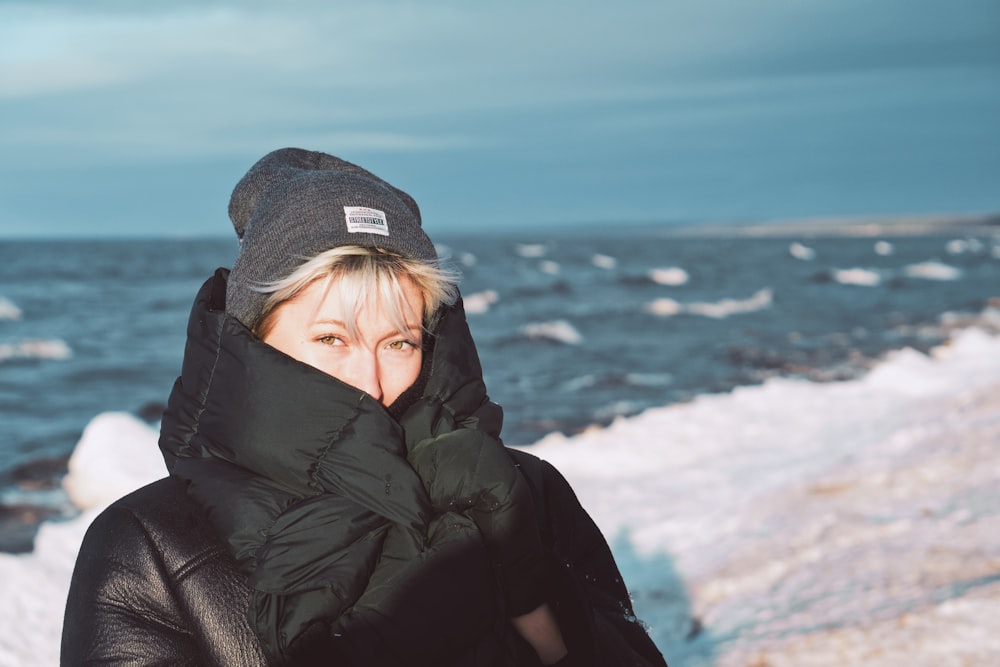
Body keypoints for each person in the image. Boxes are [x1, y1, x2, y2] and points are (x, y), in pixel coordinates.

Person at [61, 148, 669, 667]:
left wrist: (536, 610)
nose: (372, 382)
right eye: (332, 339)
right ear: (255, 337)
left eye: (399, 342)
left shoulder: (526, 492)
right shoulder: (149, 548)